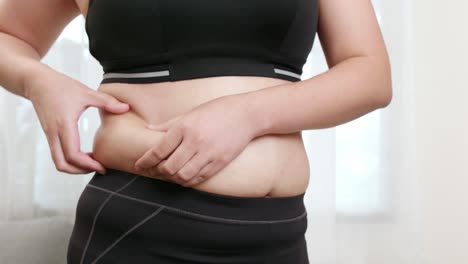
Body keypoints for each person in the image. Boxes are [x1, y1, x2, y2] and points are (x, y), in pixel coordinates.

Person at [0, 0, 392, 263]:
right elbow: (8, 34)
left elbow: (370, 76)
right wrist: (39, 82)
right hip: (137, 229)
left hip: (279, 238)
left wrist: (247, 114)